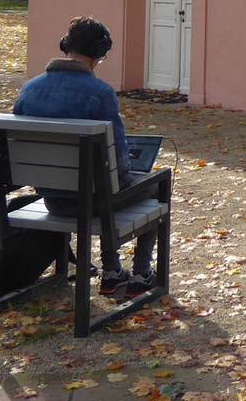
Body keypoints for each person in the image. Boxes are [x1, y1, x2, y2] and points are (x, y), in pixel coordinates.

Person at [12, 16, 158, 299]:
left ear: (65, 45)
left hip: (51, 199)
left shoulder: (29, 88)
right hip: (90, 203)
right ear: (99, 51)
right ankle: (140, 273)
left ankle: (113, 271)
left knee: (104, 183)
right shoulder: (100, 92)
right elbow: (116, 160)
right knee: (154, 184)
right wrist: (131, 170)